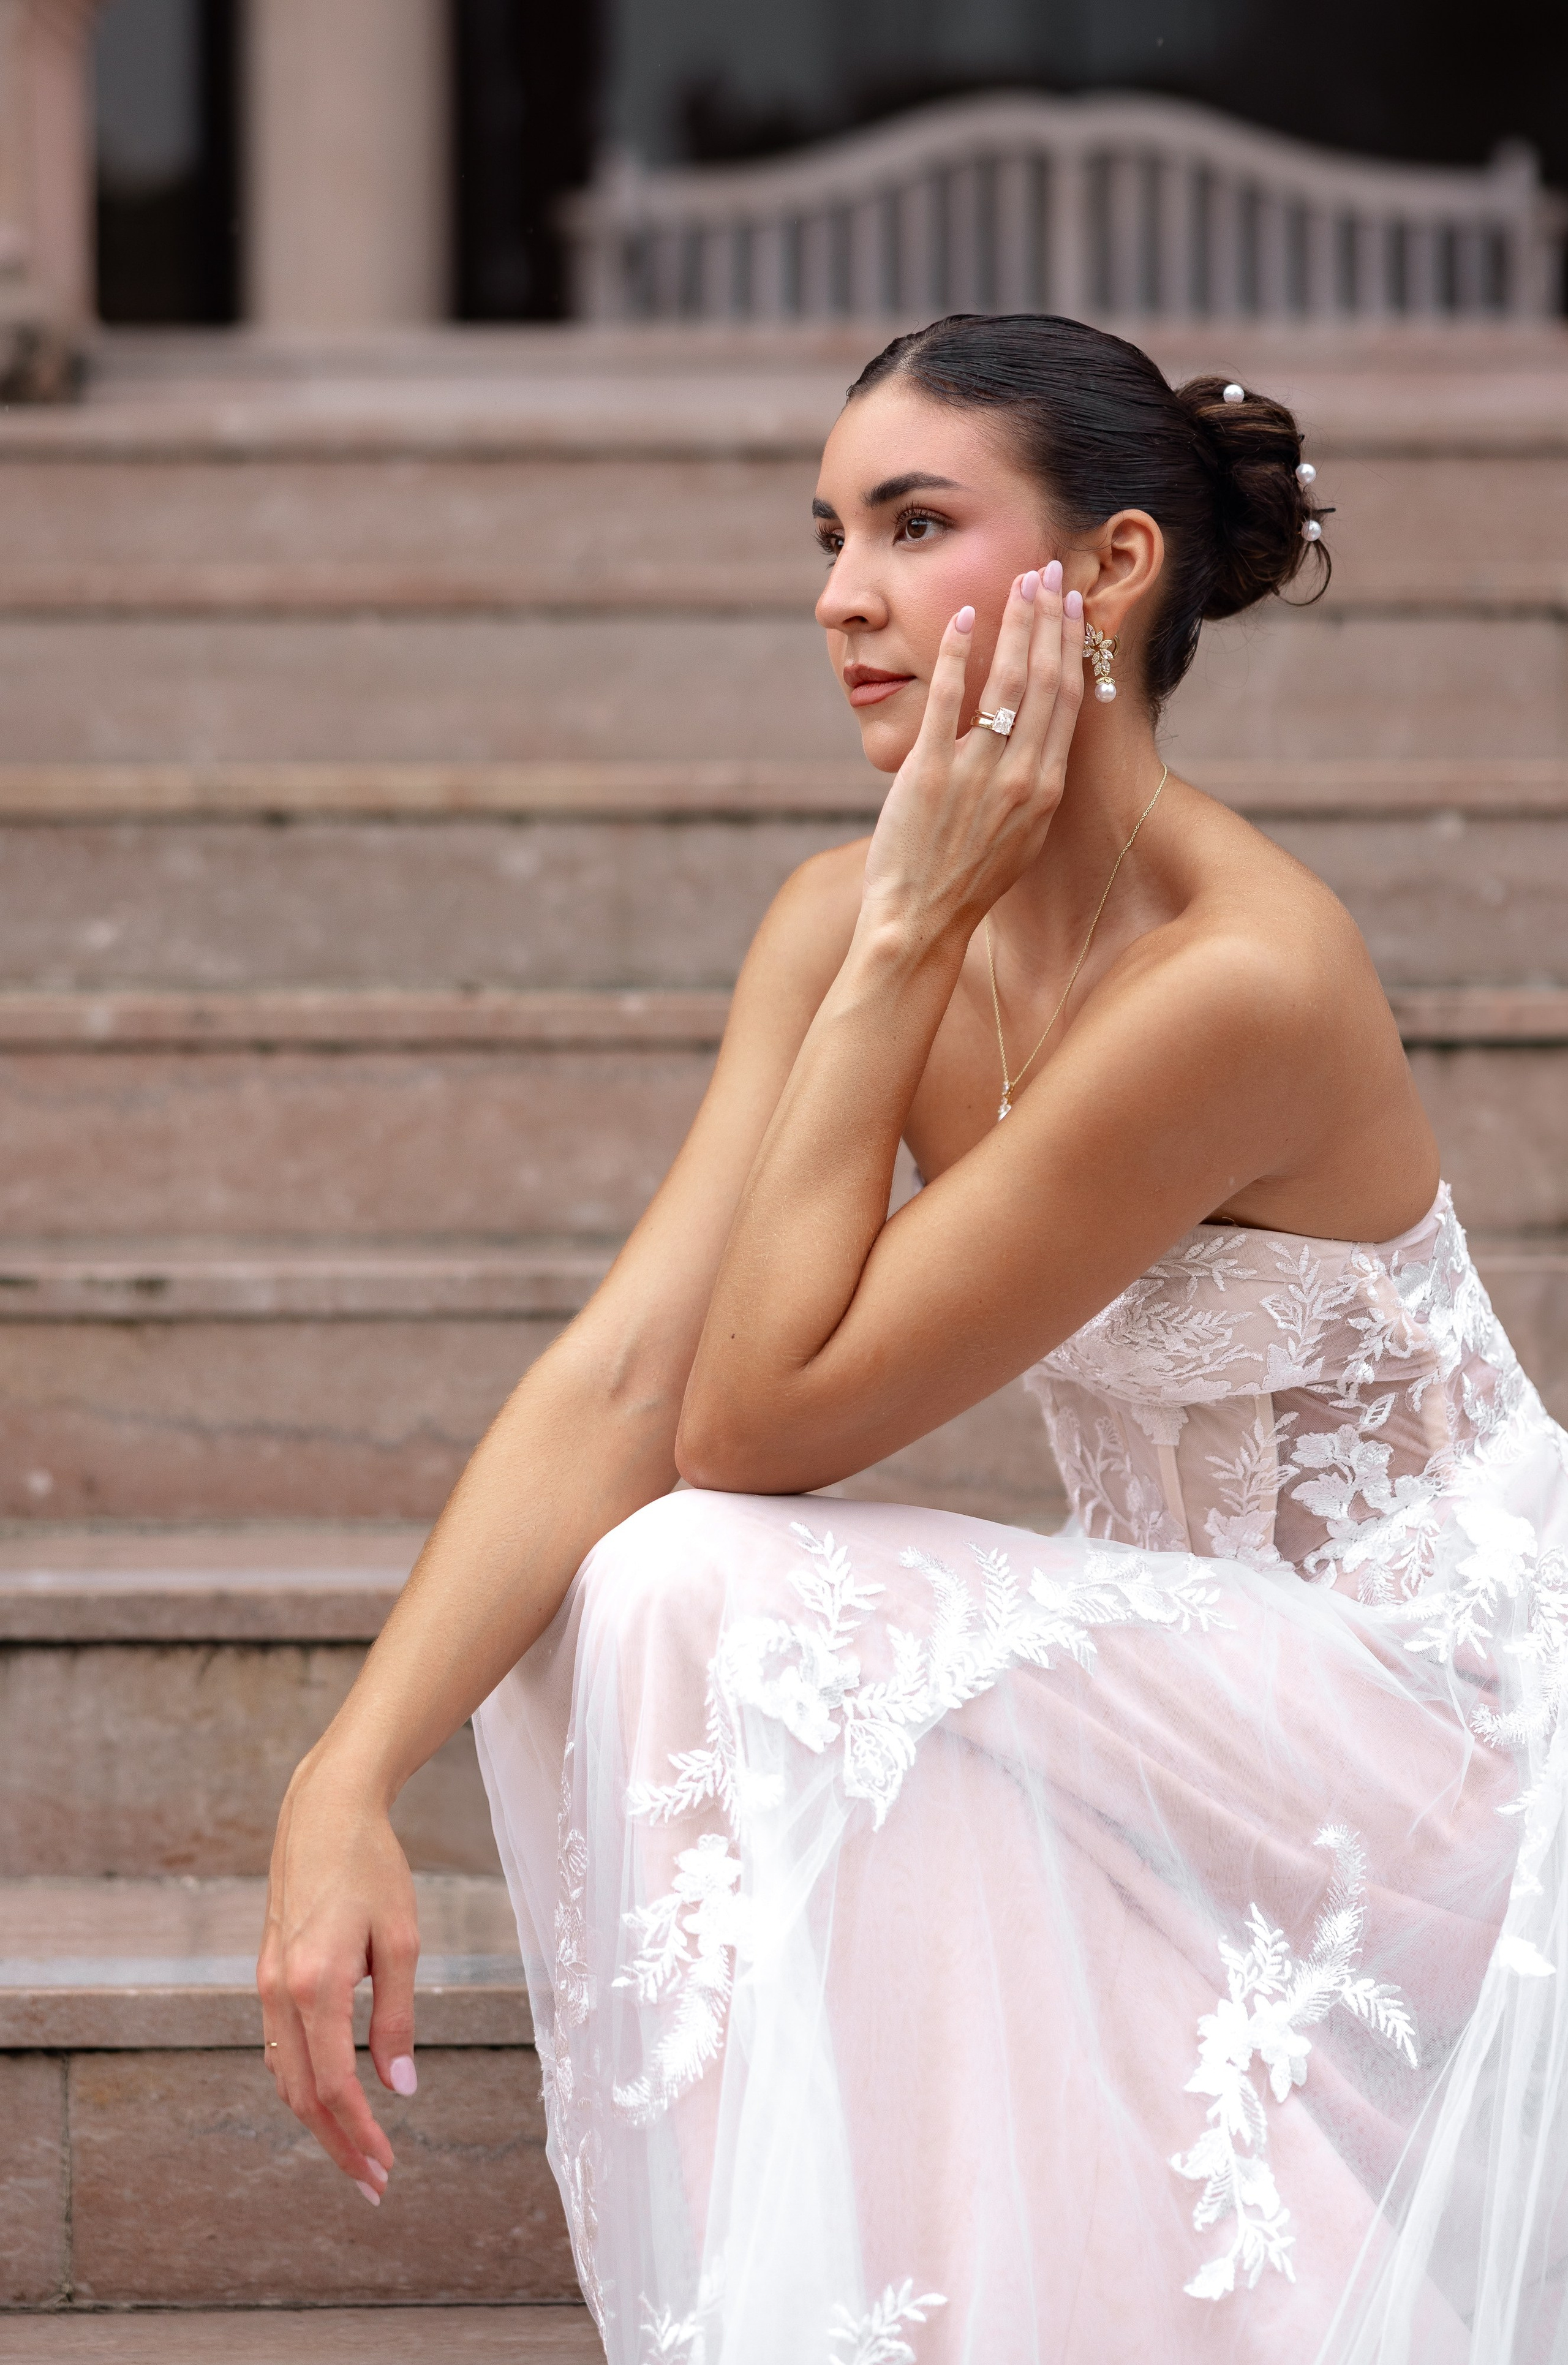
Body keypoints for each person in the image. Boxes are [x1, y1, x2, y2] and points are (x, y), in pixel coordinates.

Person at [258, 314, 1568, 2363]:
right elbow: (626, 1375)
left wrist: (899, 939)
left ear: (1114, 570)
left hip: (1444, 1760)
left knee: (708, 1574)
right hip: (1205, 1707)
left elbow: (752, 1427)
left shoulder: (1241, 981)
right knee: (677, 1584)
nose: (841, 596)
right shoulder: (847, 920)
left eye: (914, 523)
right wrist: (343, 1782)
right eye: (828, 533)